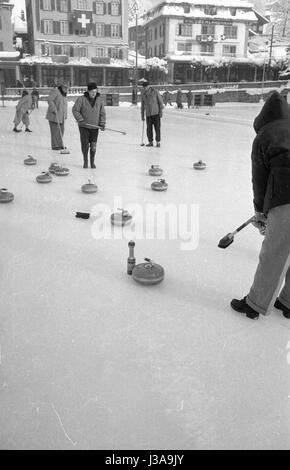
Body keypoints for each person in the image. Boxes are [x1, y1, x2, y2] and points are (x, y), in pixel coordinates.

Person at [231, 91, 290, 320]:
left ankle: (254, 305)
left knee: (274, 253)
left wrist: (260, 211)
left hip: (286, 198)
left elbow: (260, 180)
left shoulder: (265, 136)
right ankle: (287, 302)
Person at [72, 82, 106, 169]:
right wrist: (80, 120)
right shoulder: (81, 99)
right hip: (84, 127)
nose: (93, 94)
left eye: (95, 92)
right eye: (92, 92)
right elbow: (75, 110)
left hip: (95, 127)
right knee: (85, 145)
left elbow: (102, 113)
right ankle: (85, 161)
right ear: (88, 91)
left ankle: (92, 161)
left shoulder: (99, 100)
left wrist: (102, 123)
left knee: (93, 145)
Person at [45, 80, 69, 150]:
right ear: (61, 87)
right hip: (54, 115)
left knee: (61, 130)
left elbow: (64, 105)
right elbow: (49, 99)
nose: (66, 89)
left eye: (67, 88)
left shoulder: (64, 94)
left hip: (61, 116)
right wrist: (53, 108)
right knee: (55, 131)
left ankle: (60, 144)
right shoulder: (56, 91)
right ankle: (55, 145)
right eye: (65, 87)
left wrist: (65, 115)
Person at [141, 80, 164, 147]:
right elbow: (142, 106)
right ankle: (150, 142)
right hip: (148, 114)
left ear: (149, 86)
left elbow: (160, 102)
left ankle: (158, 142)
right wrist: (142, 115)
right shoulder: (143, 94)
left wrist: (161, 112)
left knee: (157, 128)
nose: (145, 88)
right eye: (144, 87)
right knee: (149, 129)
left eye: (146, 87)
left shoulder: (155, 91)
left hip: (156, 113)